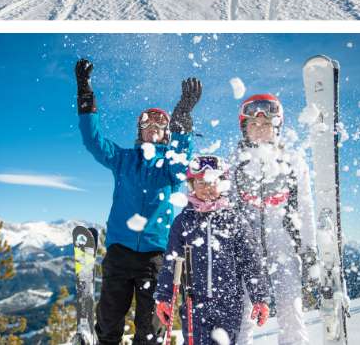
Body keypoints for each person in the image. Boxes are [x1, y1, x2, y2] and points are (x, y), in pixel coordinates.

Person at [76, 59, 200, 345]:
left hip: (155, 258)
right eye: (147, 122)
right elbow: (93, 141)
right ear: (140, 130)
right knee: (108, 326)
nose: (153, 126)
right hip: (119, 253)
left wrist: (182, 117)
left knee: (149, 332)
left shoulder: (171, 166)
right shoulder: (123, 160)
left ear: (167, 132)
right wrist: (85, 95)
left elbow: (183, 163)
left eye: (160, 123)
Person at [154, 156, 271, 345]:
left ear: (223, 184)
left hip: (229, 303)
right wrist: (164, 296)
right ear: (192, 184)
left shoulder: (235, 220)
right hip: (194, 302)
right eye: (200, 181)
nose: (207, 187)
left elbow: (251, 262)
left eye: (212, 181)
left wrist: (260, 297)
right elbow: (171, 261)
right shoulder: (183, 221)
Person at [232, 94, 318, 345]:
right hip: (246, 251)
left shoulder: (292, 161)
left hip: (284, 246)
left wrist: (309, 246)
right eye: (254, 125)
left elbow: (306, 207)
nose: (260, 131)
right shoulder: (234, 161)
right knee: (242, 316)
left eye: (266, 125)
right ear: (244, 128)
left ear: (277, 127)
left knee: (291, 312)